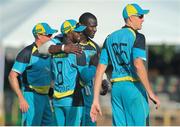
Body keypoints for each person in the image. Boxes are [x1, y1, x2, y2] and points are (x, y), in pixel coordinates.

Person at [90, 3, 160, 126]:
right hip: (133, 88)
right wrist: (150, 92)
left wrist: (95, 100)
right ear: (130, 18)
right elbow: (138, 64)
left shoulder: (109, 38)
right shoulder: (138, 37)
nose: (143, 19)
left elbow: (100, 70)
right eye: (140, 16)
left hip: (117, 90)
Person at [8, 22, 57, 126]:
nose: (51, 37)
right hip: (30, 96)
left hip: (46, 97)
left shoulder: (49, 51)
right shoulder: (27, 52)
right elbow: (12, 76)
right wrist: (21, 98)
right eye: (48, 35)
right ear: (39, 35)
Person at [48, 19, 94, 126]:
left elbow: (45, 49)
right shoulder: (78, 52)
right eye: (77, 31)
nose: (80, 33)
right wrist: (93, 66)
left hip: (57, 99)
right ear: (69, 33)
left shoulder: (55, 50)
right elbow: (85, 77)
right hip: (73, 99)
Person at [78, 12, 109, 126]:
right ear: (81, 25)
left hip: (89, 94)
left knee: (90, 123)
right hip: (73, 94)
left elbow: (100, 68)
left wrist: (104, 80)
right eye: (92, 26)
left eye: (96, 26)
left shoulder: (95, 47)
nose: (95, 29)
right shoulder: (70, 45)